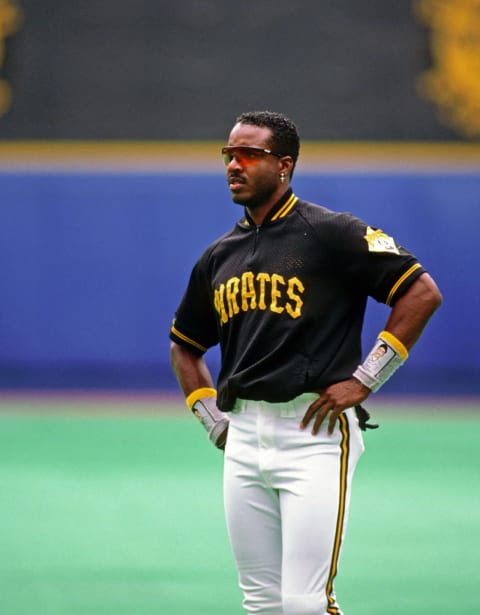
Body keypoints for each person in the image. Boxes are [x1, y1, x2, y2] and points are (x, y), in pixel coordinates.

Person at [169, 110, 442, 615]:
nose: (235, 164)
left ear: (285, 165)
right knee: (261, 603)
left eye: (250, 154)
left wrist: (365, 379)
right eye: (230, 154)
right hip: (244, 437)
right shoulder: (218, 255)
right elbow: (185, 345)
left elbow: (421, 293)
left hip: (312, 433)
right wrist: (214, 424)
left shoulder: (330, 232)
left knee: (304, 604)